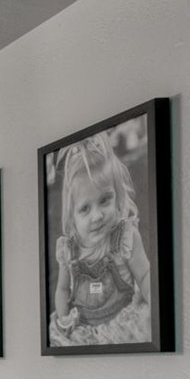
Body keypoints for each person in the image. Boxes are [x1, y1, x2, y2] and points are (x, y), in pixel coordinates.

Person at [49, 134, 151, 346]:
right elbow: (63, 289)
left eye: (105, 200)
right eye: (85, 209)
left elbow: (144, 275)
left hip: (123, 324)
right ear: (72, 217)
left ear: (118, 196)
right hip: (84, 330)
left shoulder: (125, 237)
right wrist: (63, 316)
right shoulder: (69, 250)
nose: (97, 216)